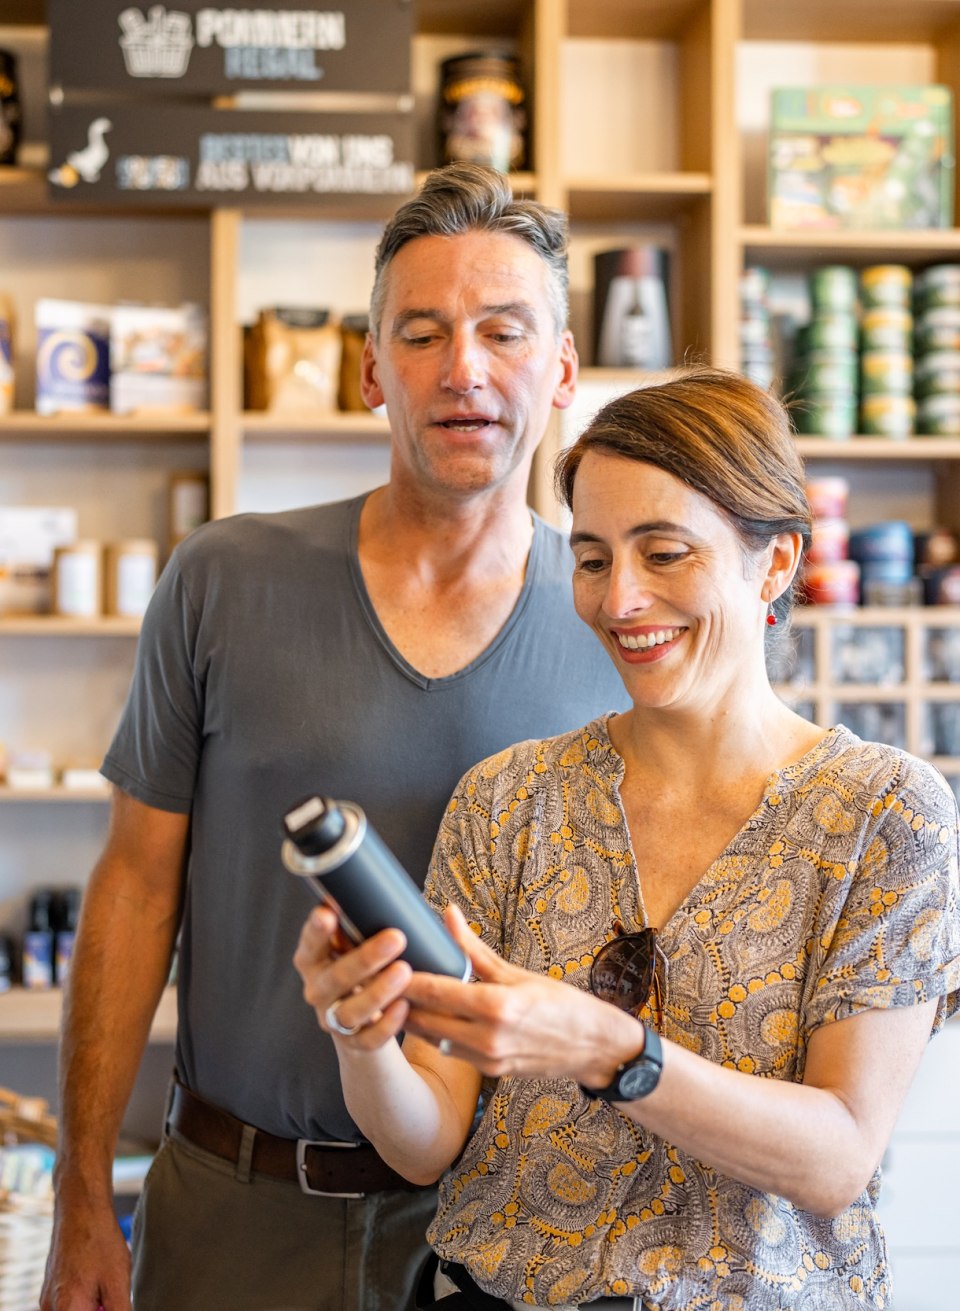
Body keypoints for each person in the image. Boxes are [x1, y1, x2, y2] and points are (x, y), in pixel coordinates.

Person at [40, 163, 630, 1311]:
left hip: (501, 1229)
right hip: (232, 1205)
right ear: (371, 369)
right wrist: (79, 1199)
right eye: (422, 333)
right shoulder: (224, 577)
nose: (464, 369)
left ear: (561, 370)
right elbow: (131, 890)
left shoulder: (616, 622)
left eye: (505, 333)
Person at [295, 366, 960, 1311]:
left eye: (666, 552)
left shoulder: (884, 814)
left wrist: (611, 1050)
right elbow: (429, 1136)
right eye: (597, 558)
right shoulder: (507, 800)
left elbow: (838, 1155)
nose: (620, 601)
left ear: (774, 564)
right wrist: (359, 1036)